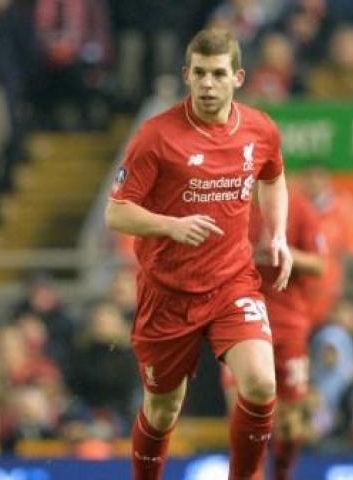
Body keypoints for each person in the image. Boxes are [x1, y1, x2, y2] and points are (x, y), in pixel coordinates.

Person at [105, 28, 293, 480]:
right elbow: (116, 213)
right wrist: (171, 225)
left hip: (232, 281)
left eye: (218, 74)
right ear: (186, 76)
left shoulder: (260, 129)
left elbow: (273, 177)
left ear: (238, 77)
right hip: (168, 291)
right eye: (200, 74)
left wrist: (278, 234)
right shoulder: (157, 136)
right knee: (163, 409)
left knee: (262, 383)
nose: (208, 84)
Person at [223, 186, 325, 480]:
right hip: (242, 322)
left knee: (290, 422)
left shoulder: (299, 208)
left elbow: (319, 264)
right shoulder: (231, 206)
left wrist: (285, 254)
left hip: (288, 327)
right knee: (244, 418)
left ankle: (282, 472)